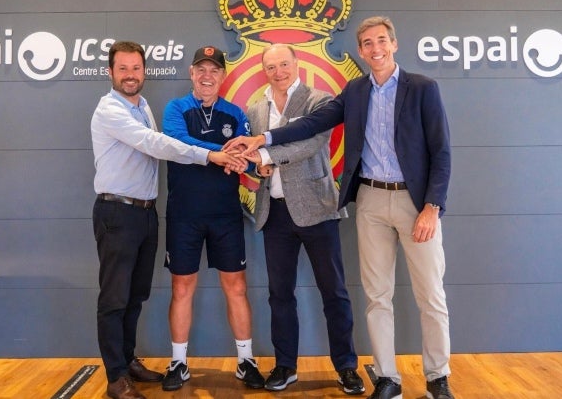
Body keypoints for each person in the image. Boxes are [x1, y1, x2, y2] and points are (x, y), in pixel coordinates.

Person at [224, 16, 455, 399]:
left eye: (381, 41)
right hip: (369, 200)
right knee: (377, 297)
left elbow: (441, 152)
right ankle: (387, 378)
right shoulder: (355, 91)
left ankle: (437, 378)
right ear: (360, 50)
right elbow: (310, 125)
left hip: (414, 203)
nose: (375, 49)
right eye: (368, 43)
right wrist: (263, 139)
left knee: (430, 295)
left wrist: (433, 205)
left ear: (393, 44)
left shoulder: (422, 88)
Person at [91, 41, 243, 399]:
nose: (130, 75)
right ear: (110, 72)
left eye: (136, 68)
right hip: (117, 212)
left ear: (144, 71)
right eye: (123, 68)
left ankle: (127, 360)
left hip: (144, 212)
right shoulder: (109, 110)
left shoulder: (142, 105)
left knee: (135, 295)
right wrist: (213, 155)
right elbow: (156, 144)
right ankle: (116, 377)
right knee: (114, 298)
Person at [243, 43, 364, 395]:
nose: (278, 72)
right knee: (279, 294)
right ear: (263, 71)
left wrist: (265, 154)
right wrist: (258, 166)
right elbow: (254, 158)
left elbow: (309, 144)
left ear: (297, 64)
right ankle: (285, 366)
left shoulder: (319, 101)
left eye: (284, 64)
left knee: (334, 293)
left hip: (318, 209)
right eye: (271, 67)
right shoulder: (255, 109)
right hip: (274, 213)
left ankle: (346, 367)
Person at [159, 45, 265, 392]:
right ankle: (178, 362)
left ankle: (246, 361)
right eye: (201, 69)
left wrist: (244, 160)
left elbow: (248, 157)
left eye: (214, 70)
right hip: (184, 215)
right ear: (192, 73)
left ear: (223, 75)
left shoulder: (235, 113)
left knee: (236, 287)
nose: (207, 76)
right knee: (181, 287)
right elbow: (176, 141)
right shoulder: (176, 109)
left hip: (225, 215)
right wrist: (221, 154)